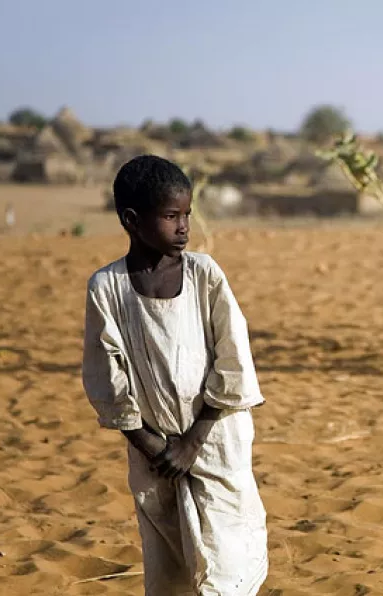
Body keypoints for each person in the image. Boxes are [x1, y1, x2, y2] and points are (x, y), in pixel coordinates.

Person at [81, 155, 268, 595]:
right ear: (132, 220)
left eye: (187, 215)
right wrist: (152, 445)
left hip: (216, 439)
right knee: (171, 567)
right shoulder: (107, 288)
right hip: (155, 455)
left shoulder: (205, 275)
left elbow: (233, 358)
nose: (184, 226)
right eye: (170, 216)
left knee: (227, 562)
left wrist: (193, 441)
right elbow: (106, 377)